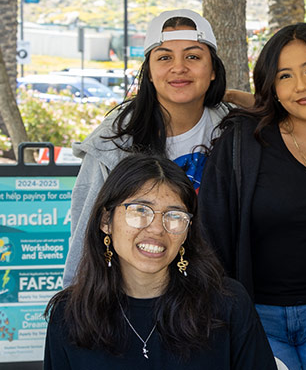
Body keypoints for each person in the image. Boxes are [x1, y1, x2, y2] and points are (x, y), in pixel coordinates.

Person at [200, 23, 306, 370]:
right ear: (271, 86)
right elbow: (210, 231)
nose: (301, 86)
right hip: (258, 316)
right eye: (285, 76)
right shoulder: (243, 141)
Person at [44, 154, 276, 369]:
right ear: (107, 220)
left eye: (174, 216)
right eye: (140, 210)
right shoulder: (68, 313)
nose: (156, 229)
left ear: (187, 231)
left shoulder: (228, 304)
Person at [64, 9, 229, 286]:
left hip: (213, 295)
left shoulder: (234, 131)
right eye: (164, 57)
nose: (179, 67)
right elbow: (85, 235)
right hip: (131, 298)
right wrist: (73, 305)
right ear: (149, 73)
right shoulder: (113, 141)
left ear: (212, 70)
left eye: (193, 56)